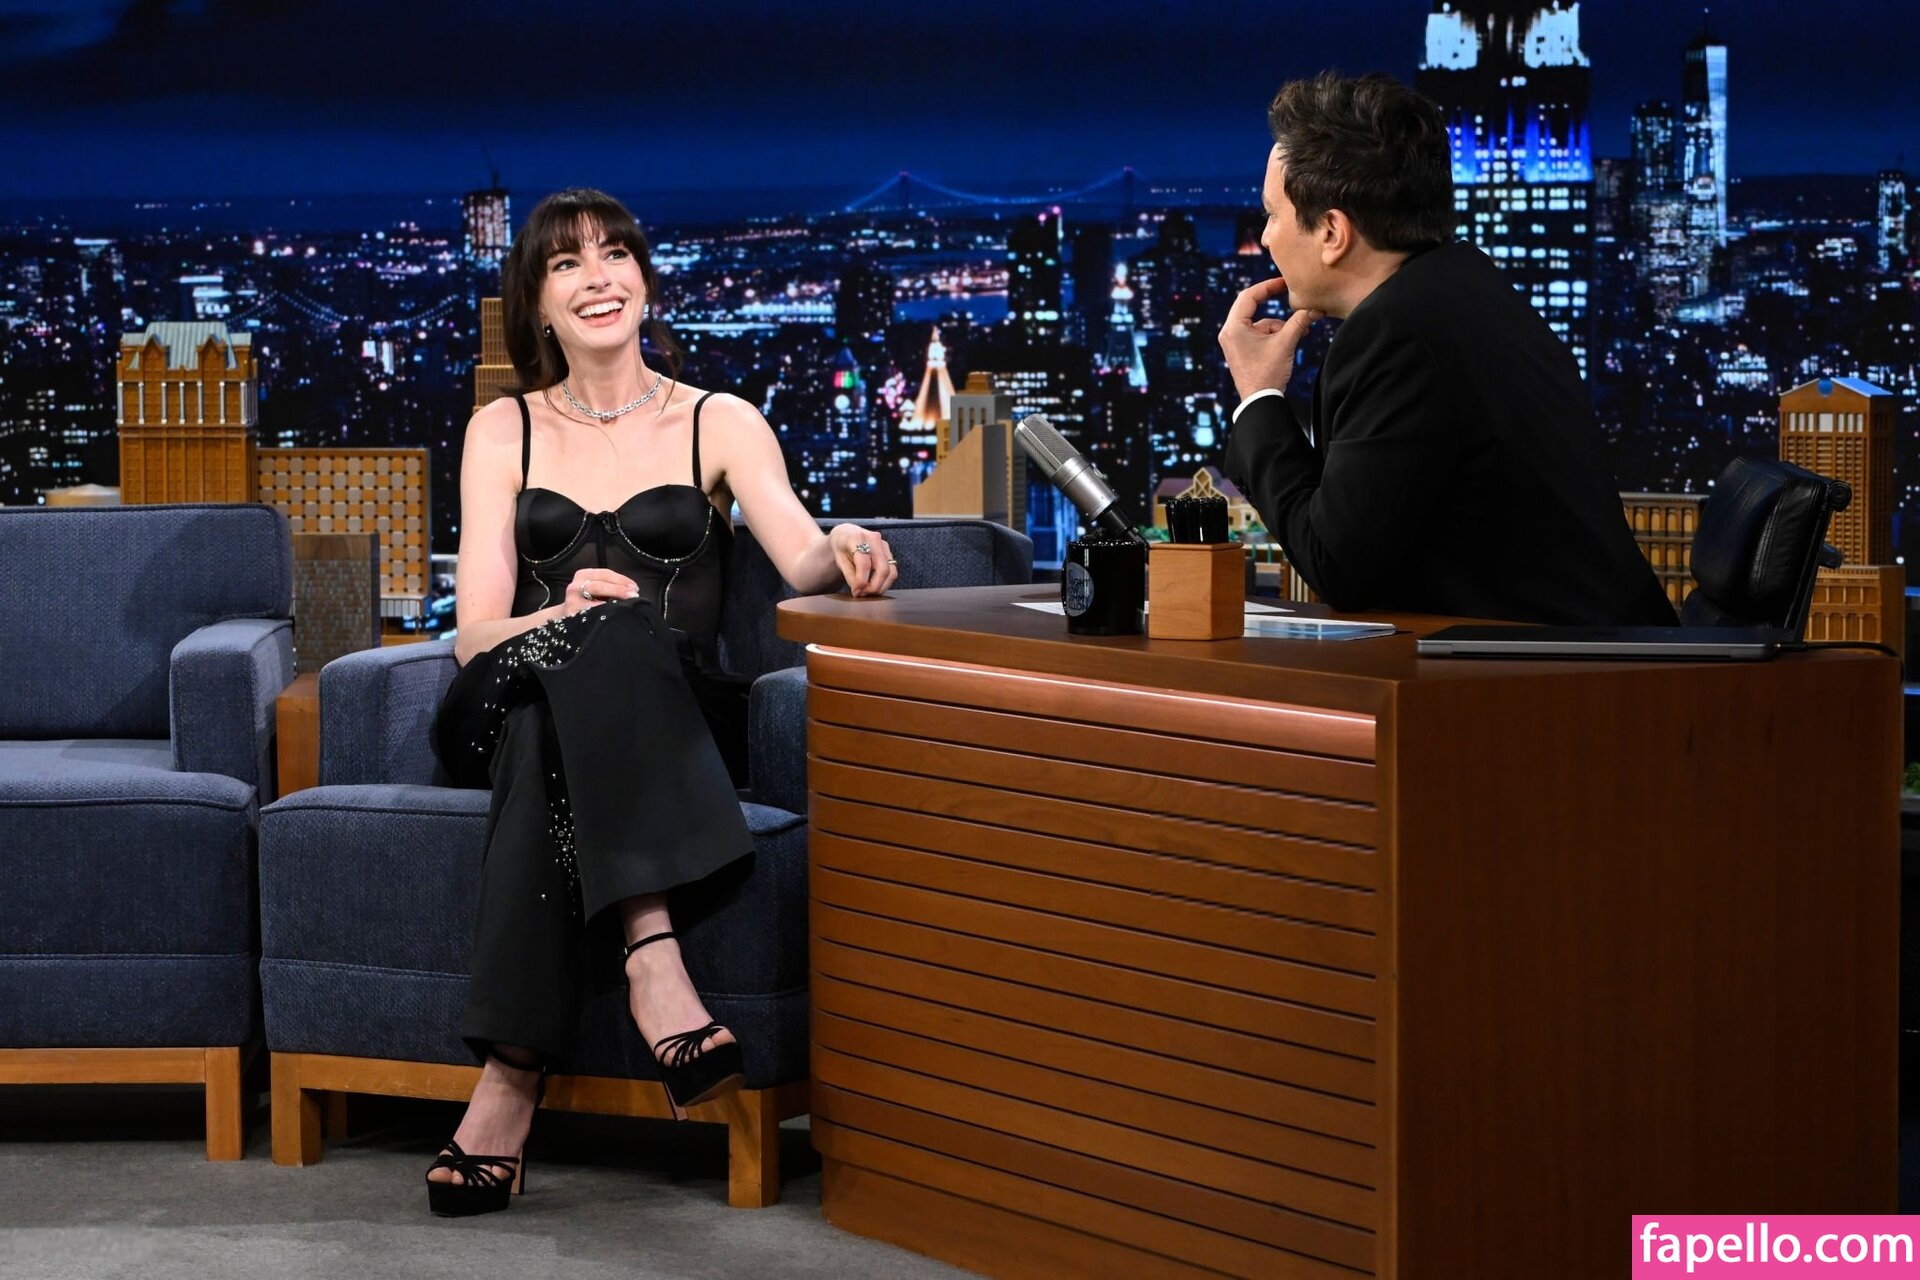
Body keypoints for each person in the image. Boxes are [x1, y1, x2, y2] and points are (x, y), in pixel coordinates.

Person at [424, 188, 898, 1216]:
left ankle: (508, 1079)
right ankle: (653, 955)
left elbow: (800, 554)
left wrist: (846, 542)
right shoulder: (501, 429)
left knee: (606, 657)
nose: (597, 277)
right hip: (509, 687)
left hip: (673, 719)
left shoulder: (717, 419)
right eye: (566, 263)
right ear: (536, 302)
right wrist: (566, 617)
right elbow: (473, 634)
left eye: (615, 254)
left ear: (644, 279)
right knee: (585, 643)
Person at [1218, 71, 1675, 626]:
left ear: (1333, 233)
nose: (1266, 237)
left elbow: (1338, 565)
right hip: (1592, 654)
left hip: (1562, 671)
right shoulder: (1465, 288)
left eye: (1272, 214)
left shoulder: (1396, 335)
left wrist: (1259, 397)